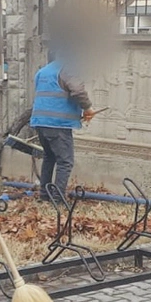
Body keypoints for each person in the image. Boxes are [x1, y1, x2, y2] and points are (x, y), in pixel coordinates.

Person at [30, 48, 94, 200]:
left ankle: (44, 195)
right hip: (58, 124)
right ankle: (58, 199)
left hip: (40, 122)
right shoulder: (67, 69)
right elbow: (78, 91)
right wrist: (88, 108)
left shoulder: (42, 72)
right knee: (65, 162)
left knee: (49, 157)